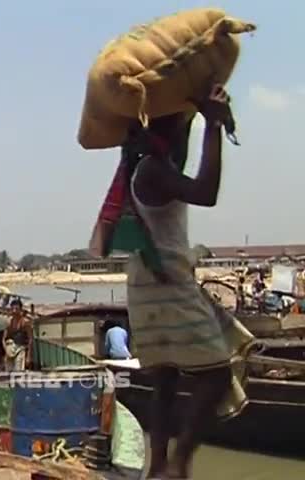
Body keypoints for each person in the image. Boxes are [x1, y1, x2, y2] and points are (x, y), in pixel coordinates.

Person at [93, 84, 256, 479]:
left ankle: (159, 464)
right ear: (170, 133)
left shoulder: (145, 164)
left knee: (166, 374)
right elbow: (206, 191)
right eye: (185, 127)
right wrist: (214, 125)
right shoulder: (155, 168)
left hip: (150, 281)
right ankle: (178, 464)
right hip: (164, 279)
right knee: (217, 372)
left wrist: (212, 115)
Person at [2, 298, 33, 371]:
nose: (14, 311)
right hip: (10, 349)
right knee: (8, 370)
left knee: (18, 370)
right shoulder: (9, 322)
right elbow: (3, 338)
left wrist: (29, 356)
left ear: (20, 310)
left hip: (20, 348)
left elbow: (30, 339)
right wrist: (6, 350)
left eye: (16, 309)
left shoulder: (25, 322)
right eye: (13, 309)